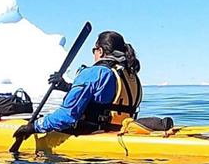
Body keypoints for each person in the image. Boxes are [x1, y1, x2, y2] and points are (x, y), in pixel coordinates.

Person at [13, 30, 143, 140]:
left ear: (101, 51)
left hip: (92, 134)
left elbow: (67, 116)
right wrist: (67, 87)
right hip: (120, 131)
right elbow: (101, 97)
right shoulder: (130, 75)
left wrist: (34, 127)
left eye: (94, 50)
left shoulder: (94, 73)